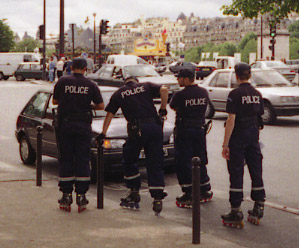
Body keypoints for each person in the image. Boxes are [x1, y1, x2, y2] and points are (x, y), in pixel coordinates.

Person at [101, 76, 168, 215]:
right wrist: (162, 109)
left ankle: (133, 192)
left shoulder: (119, 93)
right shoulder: (146, 86)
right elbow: (164, 89)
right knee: (155, 161)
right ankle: (157, 197)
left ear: (125, 82)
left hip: (137, 129)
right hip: (155, 127)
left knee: (129, 158)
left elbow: (109, 114)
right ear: (136, 82)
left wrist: (103, 133)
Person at [52, 58, 104, 213]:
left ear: (71, 67)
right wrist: (88, 105)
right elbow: (101, 106)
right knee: (83, 159)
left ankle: (66, 195)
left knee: (66, 158)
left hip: (66, 126)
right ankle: (81, 195)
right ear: (85, 69)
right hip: (83, 126)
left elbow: (55, 101)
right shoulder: (91, 84)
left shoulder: (62, 81)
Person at [221, 62, 265, 228]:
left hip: (238, 136)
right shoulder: (257, 94)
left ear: (236, 75)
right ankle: (259, 204)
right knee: (256, 169)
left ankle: (235, 210)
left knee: (236, 172)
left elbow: (231, 120)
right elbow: (259, 119)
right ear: (250, 75)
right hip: (253, 136)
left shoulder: (235, 94)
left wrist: (225, 144)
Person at [169, 69, 213, 208]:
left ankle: (188, 192)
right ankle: (205, 189)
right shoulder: (203, 92)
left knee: (184, 161)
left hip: (184, 131)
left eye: (179, 78)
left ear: (186, 79)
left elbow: (173, 107)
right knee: (199, 159)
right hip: (200, 130)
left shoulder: (180, 95)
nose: (178, 81)